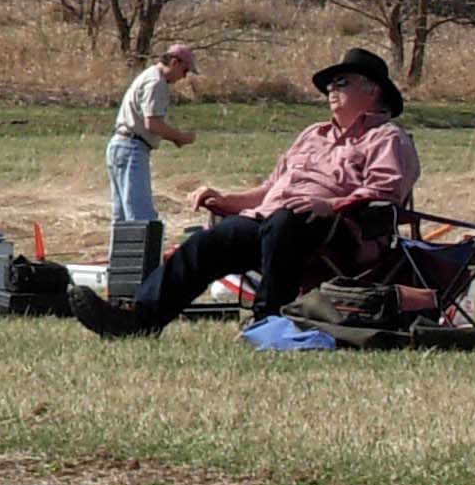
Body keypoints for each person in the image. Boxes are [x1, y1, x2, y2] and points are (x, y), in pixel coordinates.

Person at [72, 48, 420, 338]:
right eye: (329, 83)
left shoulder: (387, 137)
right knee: (208, 242)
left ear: (371, 90)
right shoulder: (312, 134)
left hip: (340, 231)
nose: (331, 89)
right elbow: (270, 191)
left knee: (288, 220)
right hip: (275, 221)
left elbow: (385, 191)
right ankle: (139, 319)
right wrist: (225, 199)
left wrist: (329, 204)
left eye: (341, 82)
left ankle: (267, 320)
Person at [105, 44, 198, 228]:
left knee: (122, 220)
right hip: (132, 149)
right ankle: (144, 248)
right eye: (185, 70)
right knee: (140, 218)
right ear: (174, 62)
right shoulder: (156, 83)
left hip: (120, 146)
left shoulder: (149, 75)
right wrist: (179, 137)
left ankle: (122, 249)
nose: (184, 77)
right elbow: (153, 124)